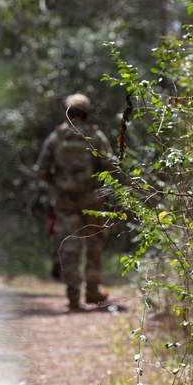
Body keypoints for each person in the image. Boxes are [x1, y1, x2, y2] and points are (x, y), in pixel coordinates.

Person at [34, 93, 114, 311]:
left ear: (67, 112)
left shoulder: (56, 138)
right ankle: (92, 291)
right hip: (92, 199)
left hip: (65, 201)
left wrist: (58, 185)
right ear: (87, 112)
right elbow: (110, 165)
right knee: (94, 243)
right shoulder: (95, 136)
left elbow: (41, 170)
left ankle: (73, 296)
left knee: (69, 247)